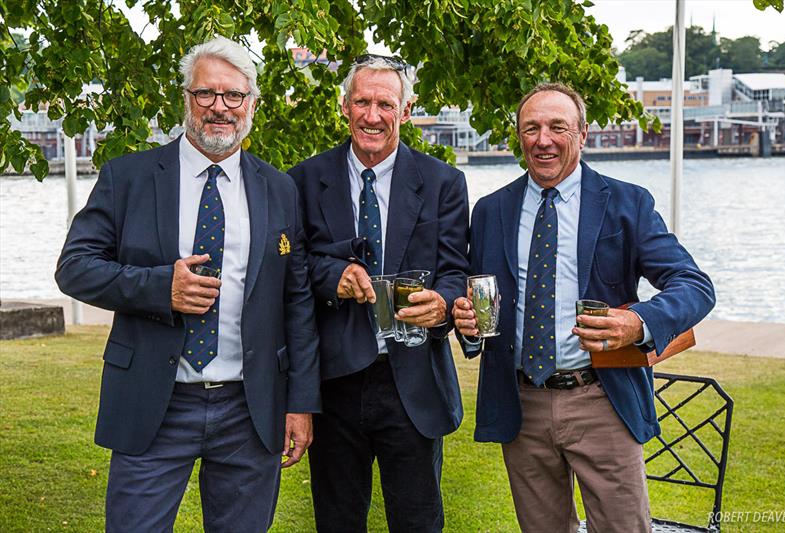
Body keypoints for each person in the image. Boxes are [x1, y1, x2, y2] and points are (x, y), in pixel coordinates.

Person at [55, 36, 320, 532]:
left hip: (250, 408)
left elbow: (297, 302)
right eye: (206, 94)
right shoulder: (128, 178)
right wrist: (160, 288)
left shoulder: (280, 189)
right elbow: (74, 267)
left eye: (233, 96)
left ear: (252, 105)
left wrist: (301, 403)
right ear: (186, 99)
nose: (219, 107)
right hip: (155, 403)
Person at [453, 83, 715, 532]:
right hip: (522, 404)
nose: (543, 139)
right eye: (531, 128)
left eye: (558, 127)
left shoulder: (626, 202)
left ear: (583, 133)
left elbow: (694, 285)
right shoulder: (490, 210)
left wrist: (638, 323)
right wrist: (470, 326)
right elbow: (481, 301)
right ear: (518, 136)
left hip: (602, 399)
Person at [287, 55, 469, 533]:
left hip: (412, 381)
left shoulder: (443, 182)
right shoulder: (303, 180)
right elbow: (293, 270)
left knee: (418, 522)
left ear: (405, 111)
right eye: (361, 102)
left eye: (385, 104)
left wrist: (444, 304)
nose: (372, 115)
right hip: (334, 382)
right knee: (337, 521)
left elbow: (455, 271)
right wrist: (333, 277)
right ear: (344, 106)